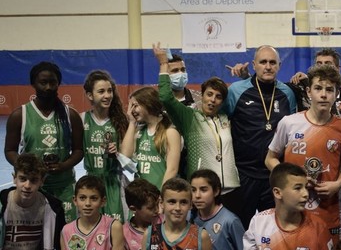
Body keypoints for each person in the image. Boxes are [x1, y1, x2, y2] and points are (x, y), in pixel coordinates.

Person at [266, 64, 341, 243]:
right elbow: (270, 159)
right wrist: (290, 180)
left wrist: (338, 184)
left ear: (337, 94)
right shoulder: (289, 123)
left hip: (328, 209)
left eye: (329, 90)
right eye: (318, 88)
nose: (323, 94)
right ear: (308, 92)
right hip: (292, 208)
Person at [222, 45, 297, 229]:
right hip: (242, 175)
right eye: (263, 62)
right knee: (239, 229)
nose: (268, 66)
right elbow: (221, 122)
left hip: (274, 174)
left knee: (274, 230)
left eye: (272, 62)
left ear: (279, 65)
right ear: (254, 65)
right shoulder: (236, 90)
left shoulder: (287, 93)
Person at [153, 43, 240, 194]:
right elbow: (166, 97)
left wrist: (245, 77)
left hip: (230, 187)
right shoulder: (190, 116)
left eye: (218, 97)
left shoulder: (225, 118)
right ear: (202, 95)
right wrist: (163, 65)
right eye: (209, 94)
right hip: (200, 188)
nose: (213, 100)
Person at [4, 61, 84, 222]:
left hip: (64, 186)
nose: (48, 87)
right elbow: (9, 151)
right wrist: (30, 168)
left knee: (64, 233)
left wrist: (63, 166)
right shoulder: (20, 115)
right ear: (33, 84)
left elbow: (79, 150)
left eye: (52, 82)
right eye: (43, 82)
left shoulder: (71, 115)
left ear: (58, 83)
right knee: (36, 234)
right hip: (33, 187)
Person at [81, 69, 128, 221]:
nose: (107, 95)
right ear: (90, 95)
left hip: (115, 183)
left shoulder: (121, 121)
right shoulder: (82, 119)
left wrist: (118, 154)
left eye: (109, 91)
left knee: (116, 227)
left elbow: (131, 158)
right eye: (101, 91)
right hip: (91, 184)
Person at [120, 86, 181, 189]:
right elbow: (125, 156)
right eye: (130, 106)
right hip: (140, 193)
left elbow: (172, 169)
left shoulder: (170, 132)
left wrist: (162, 194)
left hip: (158, 191)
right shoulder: (138, 130)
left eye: (135, 105)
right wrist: (131, 122)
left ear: (148, 103)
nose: (131, 110)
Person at [288, 48, 341, 121]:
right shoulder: (302, 87)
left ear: (338, 68)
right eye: (319, 64)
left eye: (328, 64)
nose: (323, 67)